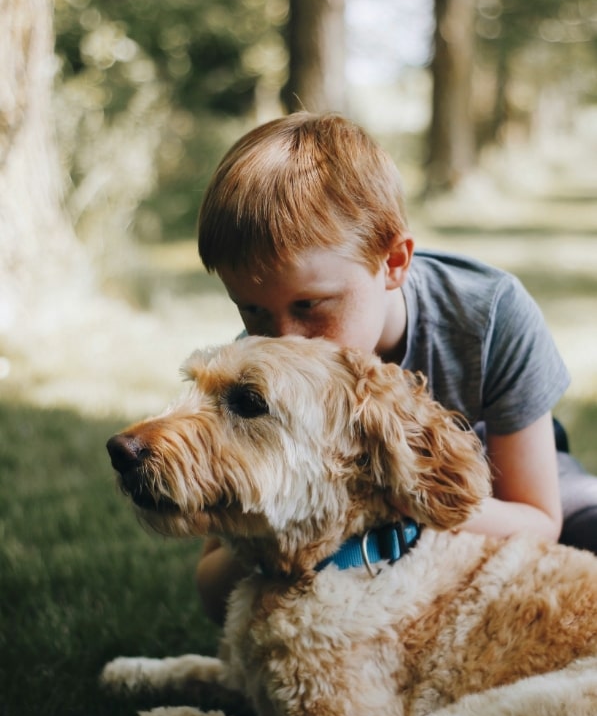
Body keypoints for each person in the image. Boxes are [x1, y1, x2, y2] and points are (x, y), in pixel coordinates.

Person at [194, 111, 597, 625]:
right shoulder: (256, 379)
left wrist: (400, 497)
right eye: (251, 311)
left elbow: (539, 519)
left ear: (394, 262)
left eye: (310, 306)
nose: (283, 341)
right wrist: (273, 528)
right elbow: (212, 590)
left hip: (498, 485)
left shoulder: (488, 315)